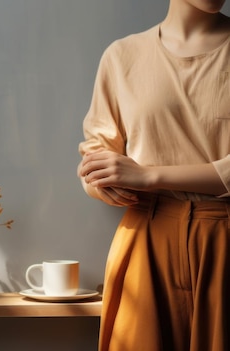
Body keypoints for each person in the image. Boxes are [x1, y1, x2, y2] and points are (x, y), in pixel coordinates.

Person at [77, 0, 230, 350]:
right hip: (146, 240)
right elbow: (95, 151)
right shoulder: (122, 56)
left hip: (224, 239)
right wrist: (99, 181)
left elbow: (138, 172)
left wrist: (148, 176)